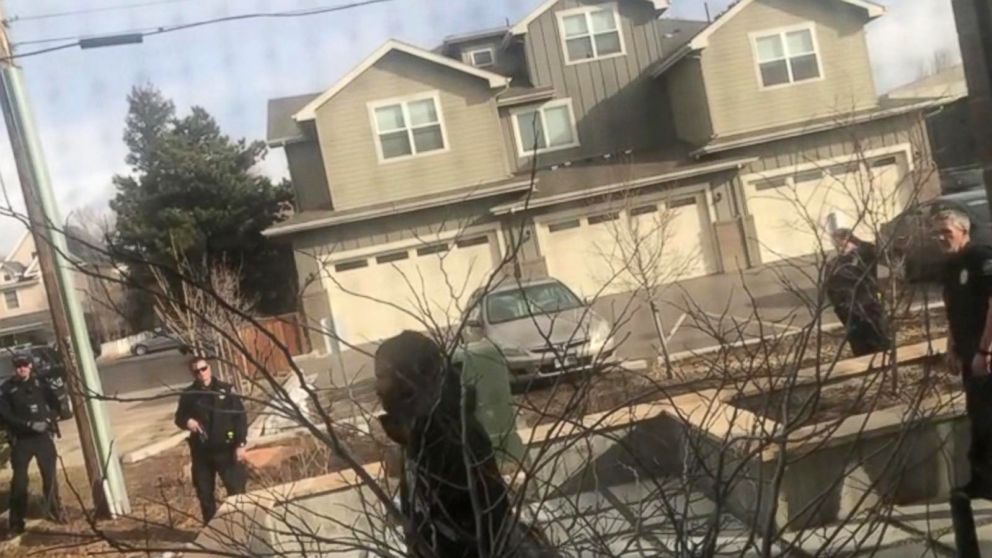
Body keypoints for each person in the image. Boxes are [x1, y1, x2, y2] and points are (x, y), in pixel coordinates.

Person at [374, 331, 556, 558]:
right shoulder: (417, 434)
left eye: (382, 376)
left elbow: (483, 527)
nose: (377, 388)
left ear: (412, 376)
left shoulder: (453, 438)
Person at [933, 209, 992, 498]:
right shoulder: (951, 266)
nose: (941, 238)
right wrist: (951, 346)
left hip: (986, 351)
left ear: (964, 231)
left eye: (947, 231)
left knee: (987, 418)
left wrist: (986, 349)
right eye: (937, 233)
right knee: (978, 416)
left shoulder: (981, 258)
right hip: (969, 352)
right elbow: (952, 310)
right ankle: (982, 483)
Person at [174, 357, 248, 523]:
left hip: (226, 448)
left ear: (209, 368)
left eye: (204, 368)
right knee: (205, 493)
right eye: (197, 371)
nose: (201, 373)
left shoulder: (226, 390)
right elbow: (179, 417)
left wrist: (240, 444)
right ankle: (212, 529)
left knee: (236, 490)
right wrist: (188, 421)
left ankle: (242, 524)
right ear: (192, 373)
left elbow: (240, 418)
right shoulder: (189, 395)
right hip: (202, 452)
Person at [0, 354, 67, 535]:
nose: (21, 369)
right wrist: (27, 424)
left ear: (30, 366)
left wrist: (48, 419)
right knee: (20, 482)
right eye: (18, 366)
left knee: (50, 477)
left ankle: (56, 510)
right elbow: (5, 415)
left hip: (43, 438)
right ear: (14, 368)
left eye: (24, 365)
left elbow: (57, 406)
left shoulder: (41, 385)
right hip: (22, 440)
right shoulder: (7, 389)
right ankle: (16, 523)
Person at [825, 228, 891, 357]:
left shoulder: (864, 254)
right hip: (849, 310)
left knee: (878, 340)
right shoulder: (834, 264)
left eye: (842, 242)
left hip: (868, 304)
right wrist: (840, 308)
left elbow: (881, 253)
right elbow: (830, 289)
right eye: (836, 244)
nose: (839, 247)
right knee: (859, 345)